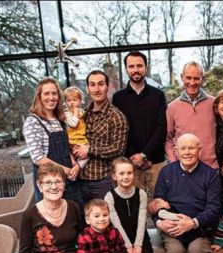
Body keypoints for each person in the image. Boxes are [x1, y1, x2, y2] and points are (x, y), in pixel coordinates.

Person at [148, 133, 221, 253]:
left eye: (191, 148)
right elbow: (156, 204)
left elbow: (214, 208)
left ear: (199, 150)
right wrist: (158, 222)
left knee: (197, 252)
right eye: (183, 148)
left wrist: (193, 223)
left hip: (199, 228)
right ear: (176, 151)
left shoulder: (210, 174)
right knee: (174, 252)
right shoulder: (166, 173)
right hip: (171, 228)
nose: (187, 152)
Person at [112, 51, 167, 198]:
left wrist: (145, 154)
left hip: (156, 162)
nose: (135, 70)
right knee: (134, 209)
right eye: (131, 66)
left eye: (139, 66)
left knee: (160, 206)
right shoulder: (118, 98)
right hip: (130, 165)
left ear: (146, 68)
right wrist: (134, 156)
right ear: (126, 69)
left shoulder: (158, 95)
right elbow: (119, 132)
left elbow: (162, 128)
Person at [23, 77, 83, 209]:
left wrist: (75, 166)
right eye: (47, 93)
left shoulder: (59, 119)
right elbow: (38, 158)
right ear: (39, 96)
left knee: (76, 217)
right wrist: (66, 171)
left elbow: (66, 149)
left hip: (70, 181)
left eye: (54, 93)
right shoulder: (33, 122)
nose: (51, 97)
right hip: (50, 184)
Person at [104, 157, 156, 253]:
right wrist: (127, 246)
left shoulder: (141, 194)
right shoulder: (110, 196)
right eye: (121, 173)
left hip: (139, 234)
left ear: (134, 174)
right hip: (119, 237)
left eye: (129, 173)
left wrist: (138, 244)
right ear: (114, 176)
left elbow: (142, 220)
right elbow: (116, 224)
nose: (126, 176)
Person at [72, 70, 128, 205]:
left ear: (107, 87)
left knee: (107, 221)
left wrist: (89, 150)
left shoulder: (116, 116)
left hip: (104, 180)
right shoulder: (82, 115)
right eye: (92, 85)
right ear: (87, 88)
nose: (96, 89)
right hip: (80, 180)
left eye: (100, 84)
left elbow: (119, 149)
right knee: (85, 223)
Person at [165, 61, 218, 170]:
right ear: (182, 77)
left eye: (196, 78)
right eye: (188, 78)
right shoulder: (172, 108)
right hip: (184, 169)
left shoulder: (214, 104)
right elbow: (168, 139)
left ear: (202, 79)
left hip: (212, 168)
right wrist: (175, 163)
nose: (192, 82)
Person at [64, 86, 89, 169]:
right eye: (69, 100)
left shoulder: (81, 111)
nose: (72, 103)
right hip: (74, 139)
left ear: (80, 100)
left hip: (82, 137)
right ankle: (75, 167)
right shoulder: (67, 113)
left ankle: (79, 167)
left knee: (88, 152)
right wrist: (75, 112)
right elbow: (73, 124)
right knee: (76, 153)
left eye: (74, 100)